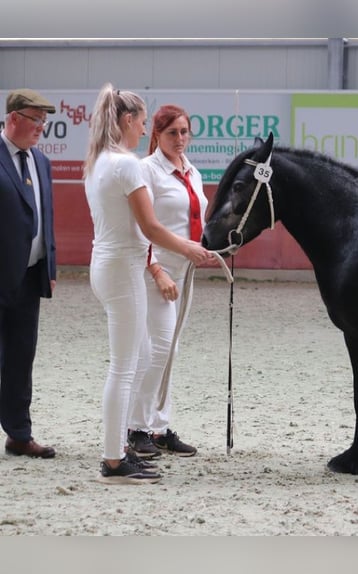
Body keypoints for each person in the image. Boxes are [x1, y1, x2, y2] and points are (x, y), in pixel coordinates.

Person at [84, 84, 213, 484]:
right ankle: (113, 460)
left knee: (137, 360)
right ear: (127, 121)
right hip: (124, 269)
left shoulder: (99, 161)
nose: (143, 131)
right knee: (125, 367)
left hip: (108, 264)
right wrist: (190, 249)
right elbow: (151, 226)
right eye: (142, 123)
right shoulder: (127, 165)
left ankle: (122, 448)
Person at [126, 105, 207, 459]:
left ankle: (159, 427)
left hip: (185, 273)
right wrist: (156, 270)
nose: (180, 139)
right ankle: (135, 428)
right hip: (154, 272)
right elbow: (138, 228)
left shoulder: (193, 172)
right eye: (172, 132)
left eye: (185, 132)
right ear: (156, 134)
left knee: (170, 351)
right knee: (156, 350)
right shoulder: (146, 171)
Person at [0, 89, 57, 459]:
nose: (41, 128)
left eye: (44, 122)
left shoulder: (41, 161)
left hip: (30, 275)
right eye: (36, 120)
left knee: (22, 357)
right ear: (14, 119)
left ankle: (19, 434)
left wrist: (49, 265)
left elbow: (46, 217)